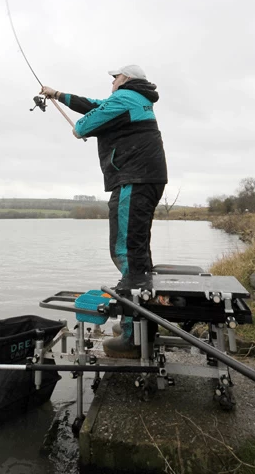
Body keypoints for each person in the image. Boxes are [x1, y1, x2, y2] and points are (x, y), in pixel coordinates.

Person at [41, 64, 167, 357]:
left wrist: (78, 128)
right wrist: (57, 94)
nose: (112, 82)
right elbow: (94, 105)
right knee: (138, 251)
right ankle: (140, 325)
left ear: (125, 79)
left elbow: (84, 126)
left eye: (115, 78)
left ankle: (134, 338)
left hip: (134, 180)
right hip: (145, 178)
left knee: (126, 252)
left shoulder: (124, 98)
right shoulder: (135, 99)